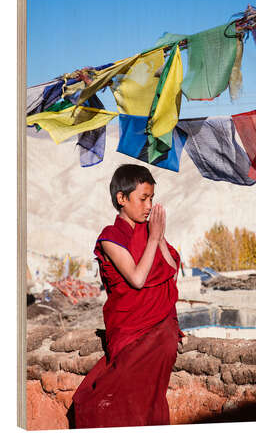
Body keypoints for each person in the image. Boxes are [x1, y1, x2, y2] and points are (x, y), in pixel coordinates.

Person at [72, 164, 184, 428]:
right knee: (104, 403)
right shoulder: (110, 237)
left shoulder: (151, 233)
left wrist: (158, 237)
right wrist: (154, 238)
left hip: (160, 329)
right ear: (121, 199)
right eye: (143, 198)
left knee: (148, 403)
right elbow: (136, 278)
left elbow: (170, 271)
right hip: (129, 330)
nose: (149, 206)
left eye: (152, 199)